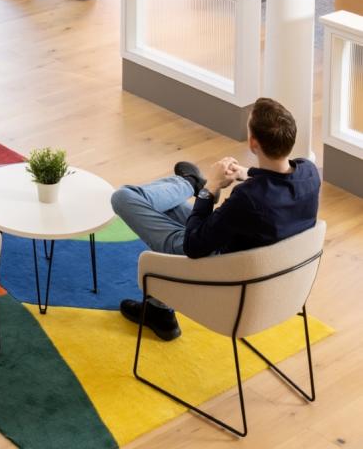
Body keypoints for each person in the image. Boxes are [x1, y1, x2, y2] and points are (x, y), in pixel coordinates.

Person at [110, 97, 321, 340]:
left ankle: (189, 183)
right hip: (277, 284)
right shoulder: (309, 173)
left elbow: (193, 245)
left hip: (222, 274)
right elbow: (274, 184)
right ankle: (158, 311)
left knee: (123, 198)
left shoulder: (248, 199)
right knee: (163, 206)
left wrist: (210, 188)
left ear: (253, 142)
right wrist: (246, 172)